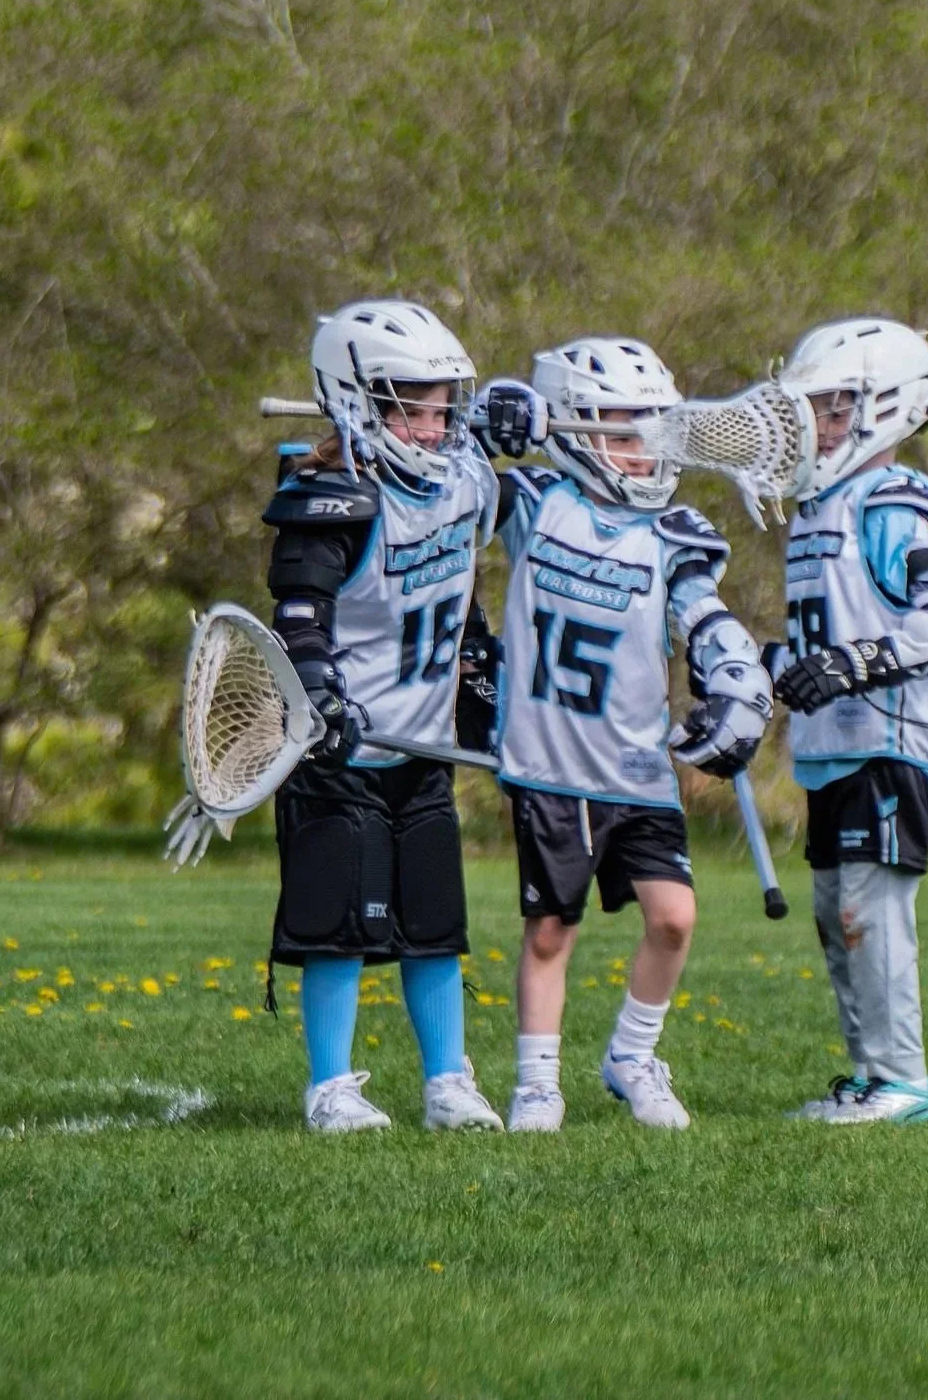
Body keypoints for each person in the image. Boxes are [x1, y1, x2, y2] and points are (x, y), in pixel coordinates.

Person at [480, 338, 772, 1131]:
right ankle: (537, 1081)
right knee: (551, 930)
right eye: (620, 429)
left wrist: (738, 683)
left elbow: (702, 616)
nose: (642, 448)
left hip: (638, 763)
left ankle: (632, 1056)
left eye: (651, 429)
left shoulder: (674, 531)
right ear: (571, 430)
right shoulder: (535, 500)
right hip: (553, 759)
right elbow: (451, 490)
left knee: (674, 916)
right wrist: (489, 420)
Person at [262, 299, 504, 1133]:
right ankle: (331, 1087)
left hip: (421, 743)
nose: (436, 420)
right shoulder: (328, 498)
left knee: (435, 924)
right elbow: (299, 619)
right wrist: (320, 694)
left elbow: (462, 601)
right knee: (340, 927)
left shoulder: (464, 482)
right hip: (341, 747)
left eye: (444, 399)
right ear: (358, 397)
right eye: (414, 398)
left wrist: (483, 681)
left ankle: (448, 1082)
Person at [769, 318, 928, 1125]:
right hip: (832, 743)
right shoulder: (816, 507)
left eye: (830, 407)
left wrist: (850, 666)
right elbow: (828, 622)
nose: (814, 425)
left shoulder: (897, 498)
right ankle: (867, 1072)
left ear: (882, 407)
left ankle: (903, 1080)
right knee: (832, 909)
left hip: (886, 737)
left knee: (868, 907)